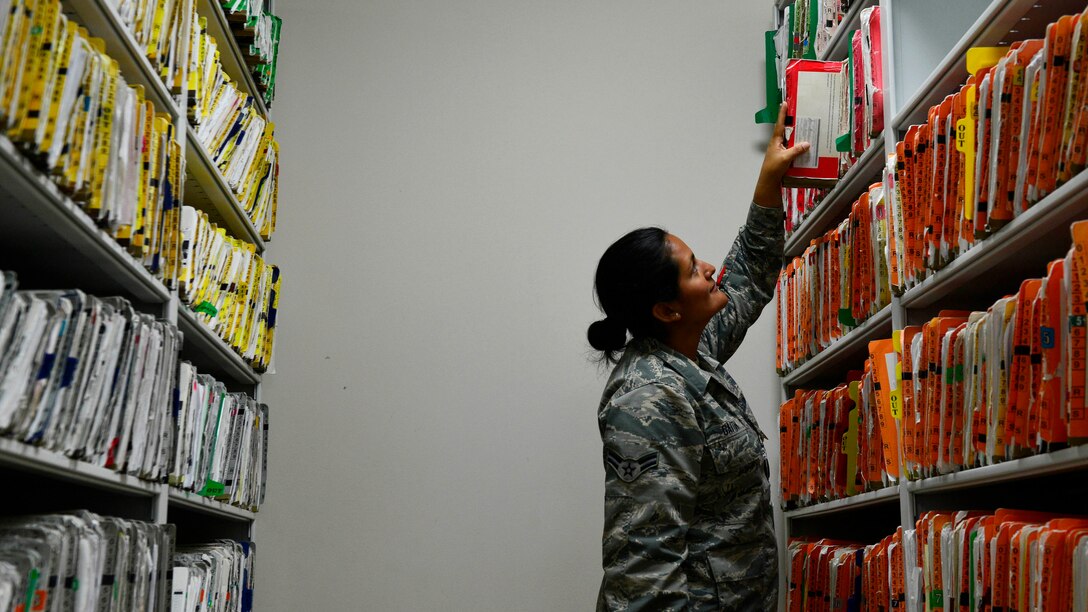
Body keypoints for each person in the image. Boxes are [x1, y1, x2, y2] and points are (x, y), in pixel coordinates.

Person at [587, 104, 808, 611]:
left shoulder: (689, 349)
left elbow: (747, 274)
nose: (709, 268)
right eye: (692, 270)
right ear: (666, 309)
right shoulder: (648, 398)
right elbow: (645, 572)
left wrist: (769, 178)